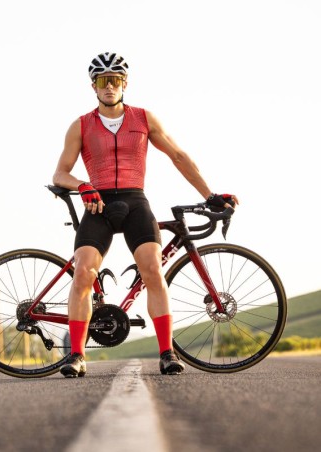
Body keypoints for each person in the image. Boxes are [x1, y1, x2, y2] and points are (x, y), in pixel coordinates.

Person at [52, 52, 238, 378]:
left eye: (115, 80)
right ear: (93, 86)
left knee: (152, 268)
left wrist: (209, 195)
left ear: (125, 83)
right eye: (102, 80)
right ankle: (77, 356)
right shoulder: (80, 125)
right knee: (84, 272)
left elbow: (178, 156)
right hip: (99, 205)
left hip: (135, 201)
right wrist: (83, 186)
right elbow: (60, 174)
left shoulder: (143, 118)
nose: (109, 86)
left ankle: (167, 353)